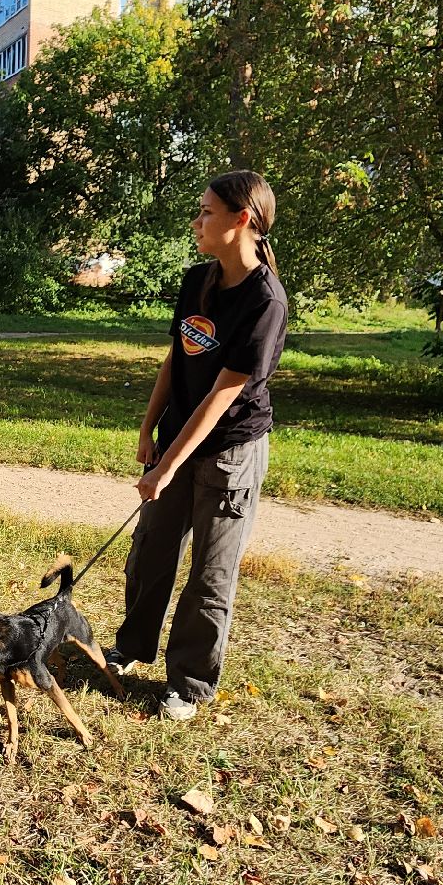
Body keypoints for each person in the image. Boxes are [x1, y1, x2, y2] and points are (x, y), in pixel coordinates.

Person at [106, 170, 289, 722]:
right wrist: (148, 430)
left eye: (207, 211)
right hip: (178, 440)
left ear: (242, 220)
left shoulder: (265, 302)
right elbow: (177, 360)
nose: (197, 220)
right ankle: (133, 648)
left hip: (230, 451)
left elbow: (222, 394)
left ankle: (189, 682)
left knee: (211, 573)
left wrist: (168, 466)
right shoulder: (197, 280)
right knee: (149, 554)